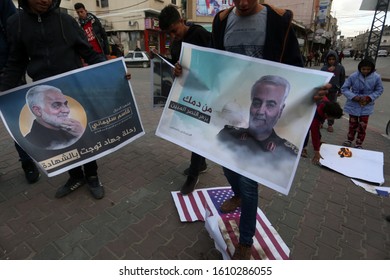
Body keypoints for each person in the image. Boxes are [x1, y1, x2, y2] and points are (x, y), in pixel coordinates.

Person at [210, 0, 330, 259]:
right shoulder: (220, 20)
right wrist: (181, 71)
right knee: (227, 165)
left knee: (250, 182)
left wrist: (312, 93)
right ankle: (238, 194)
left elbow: (296, 69)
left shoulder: (279, 20)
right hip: (232, 108)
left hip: (261, 117)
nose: (242, 3)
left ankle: (245, 240)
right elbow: (212, 63)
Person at [0, 0, 130, 200]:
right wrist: (3, 91)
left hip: (73, 89)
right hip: (43, 91)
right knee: (62, 140)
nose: (45, 0)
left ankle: (93, 175)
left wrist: (113, 71)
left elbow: (88, 52)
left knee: (84, 133)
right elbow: (15, 62)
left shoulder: (66, 20)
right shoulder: (16, 24)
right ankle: (75, 176)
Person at [158, 5, 212, 195]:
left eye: (174, 30)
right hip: (188, 94)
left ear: (182, 21)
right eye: (168, 33)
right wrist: (176, 69)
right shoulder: (175, 44)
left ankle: (193, 176)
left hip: (206, 94)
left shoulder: (200, 35)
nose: (172, 36)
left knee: (196, 133)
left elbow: (216, 61)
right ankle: (201, 163)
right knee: (191, 130)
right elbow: (177, 67)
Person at [0, 0, 40, 184]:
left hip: (8, 71)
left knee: (16, 120)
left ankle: (27, 162)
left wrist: (13, 68)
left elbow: (15, 33)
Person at [218, 75, 298, 162]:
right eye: (256, 103)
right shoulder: (227, 135)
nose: (260, 111)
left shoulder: (288, 154)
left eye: (270, 105)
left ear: (280, 111)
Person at [24, 85, 84, 150]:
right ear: (38, 111)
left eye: (65, 104)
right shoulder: (31, 142)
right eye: (56, 105)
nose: (66, 110)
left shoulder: (75, 131)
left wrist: (82, 134)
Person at [341, 58, 383, 149]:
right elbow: (344, 88)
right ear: (360, 68)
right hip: (353, 105)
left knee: (362, 126)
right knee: (352, 124)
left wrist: (369, 97)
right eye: (363, 69)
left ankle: (359, 143)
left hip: (366, 106)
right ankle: (349, 139)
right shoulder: (353, 76)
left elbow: (379, 90)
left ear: (372, 69)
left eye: (368, 69)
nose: (365, 71)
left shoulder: (376, 77)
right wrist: (353, 96)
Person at [301, 96, 343, 164]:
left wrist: (321, 121)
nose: (332, 119)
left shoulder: (327, 105)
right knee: (307, 130)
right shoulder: (315, 116)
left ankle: (318, 142)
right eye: (332, 117)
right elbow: (314, 134)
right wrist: (316, 151)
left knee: (317, 131)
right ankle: (302, 148)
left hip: (313, 107)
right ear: (326, 114)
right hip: (304, 110)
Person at [320, 50, 345, 132]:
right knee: (322, 106)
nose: (331, 61)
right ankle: (321, 122)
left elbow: (342, 79)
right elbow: (321, 79)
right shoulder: (324, 68)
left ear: (336, 59)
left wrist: (340, 90)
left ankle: (330, 124)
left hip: (333, 91)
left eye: (333, 59)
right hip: (324, 91)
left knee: (332, 108)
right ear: (327, 59)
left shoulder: (340, 68)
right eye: (329, 59)